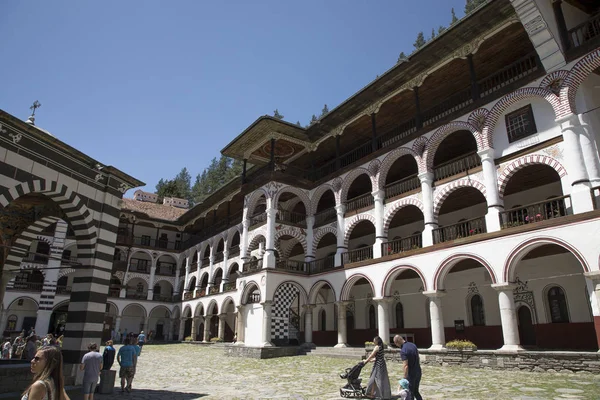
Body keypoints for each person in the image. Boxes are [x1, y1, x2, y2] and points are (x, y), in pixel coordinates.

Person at [394, 335, 422, 400]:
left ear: (397, 342)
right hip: (418, 370)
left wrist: (404, 377)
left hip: (411, 373)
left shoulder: (403, 350)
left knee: (410, 393)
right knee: (416, 391)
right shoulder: (413, 345)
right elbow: (418, 357)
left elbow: (406, 365)